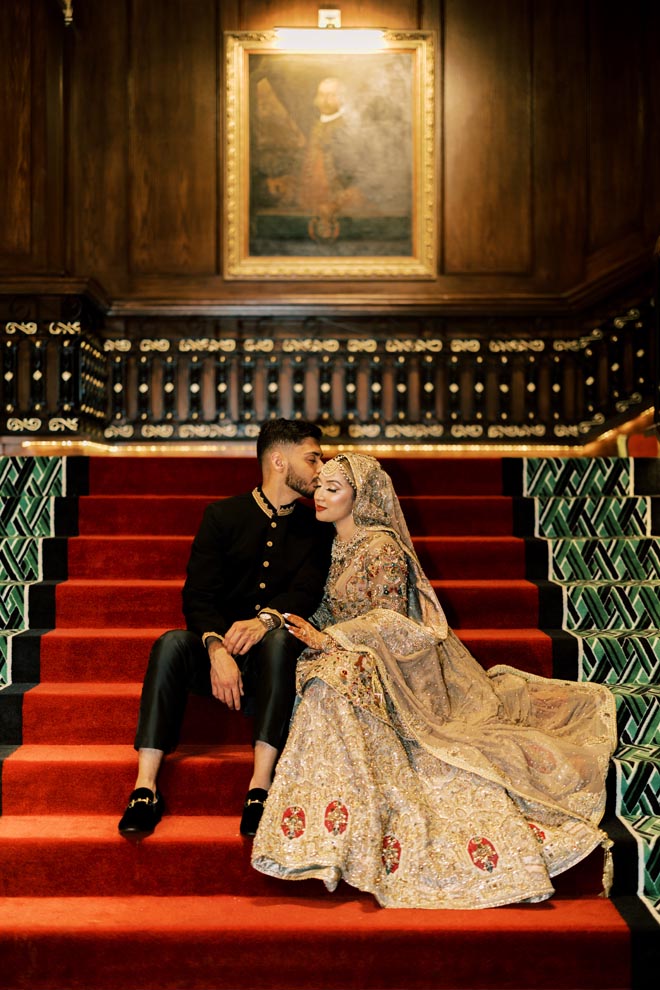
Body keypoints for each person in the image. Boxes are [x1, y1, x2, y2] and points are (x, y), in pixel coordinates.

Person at [251, 453, 617, 909]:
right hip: (346, 653)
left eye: (332, 488)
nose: (320, 496)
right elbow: (329, 605)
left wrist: (331, 639)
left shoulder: (382, 548)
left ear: (359, 496)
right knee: (324, 674)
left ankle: (337, 826)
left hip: (390, 662)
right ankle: (331, 819)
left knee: (332, 677)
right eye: (320, 486)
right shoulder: (331, 544)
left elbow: (389, 620)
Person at [118, 419, 332, 840]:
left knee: (277, 640)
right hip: (218, 652)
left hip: (272, 662)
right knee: (170, 644)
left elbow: (307, 593)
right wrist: (216, 649)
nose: (320, 468)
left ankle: (259, 788)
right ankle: (145, 788)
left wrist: (266, 619)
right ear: (277, 460)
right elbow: (198, 595)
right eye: (312, 458)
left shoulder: (315, 528)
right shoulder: (222, 515)